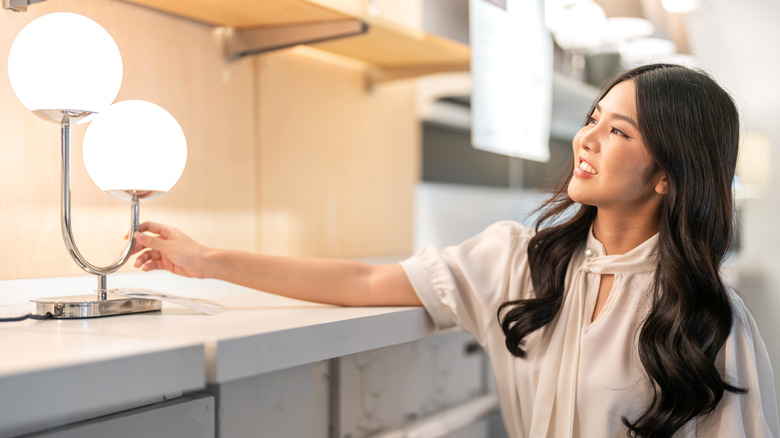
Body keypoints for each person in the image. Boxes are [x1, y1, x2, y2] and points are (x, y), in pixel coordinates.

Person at [131, 63, 779, 437]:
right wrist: (207, 261)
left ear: (668, 173)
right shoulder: (518, 261)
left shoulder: (713, 318)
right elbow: (362, 280)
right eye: (592, 118)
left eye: (618, 130)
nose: (587, 139)